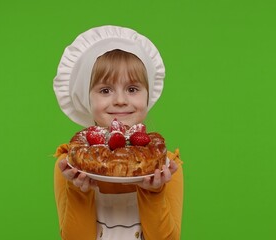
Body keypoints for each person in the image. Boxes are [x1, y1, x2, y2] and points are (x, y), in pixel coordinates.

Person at [53, 25, 183, 240]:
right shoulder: (70, 166)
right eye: (105, 90)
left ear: (147, 96)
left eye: (132, 89)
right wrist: (79, 191)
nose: (121, 100)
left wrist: (153, 192)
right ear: (87, 98)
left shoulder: (165, 165)